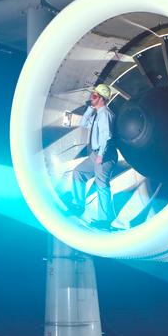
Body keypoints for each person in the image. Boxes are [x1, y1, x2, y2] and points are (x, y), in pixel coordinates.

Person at [69, 82, 119, 229]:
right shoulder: (97, 113)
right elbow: (83, 123)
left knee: (102, 185)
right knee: (79, 172)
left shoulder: (105, 115)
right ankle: (78, 205)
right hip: (96, 154)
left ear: (102, 99)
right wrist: (90, 108)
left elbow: (107, 136)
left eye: (94, 95)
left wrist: (101, 156)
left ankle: (105, 220)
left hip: (105, 155)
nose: (92, 97)